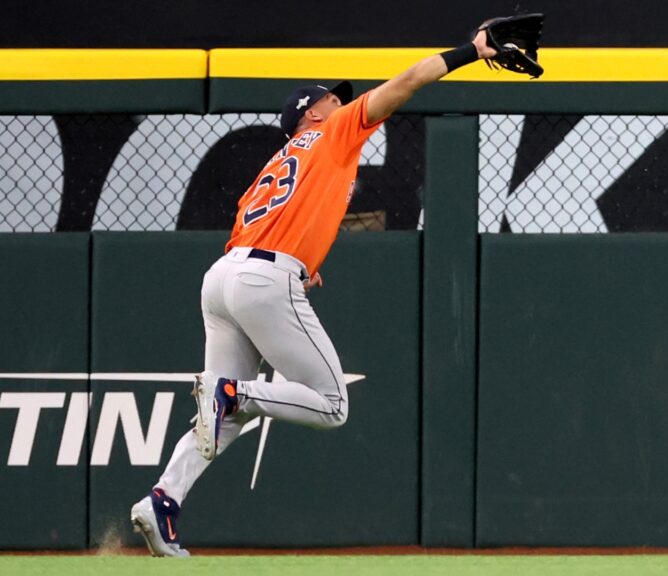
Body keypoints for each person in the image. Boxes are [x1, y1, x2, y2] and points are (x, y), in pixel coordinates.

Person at [129, 29, 499, 558]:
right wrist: (471, 52)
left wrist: (299, 262)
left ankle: (163, 500)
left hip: (224, 277)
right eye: (331, 98)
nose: (340, 102)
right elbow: (411, 80)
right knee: (330, 403)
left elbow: (259, 229)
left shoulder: (276, 163)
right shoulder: (334, 131)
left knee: (221, 418)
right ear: (311, 114)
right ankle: (234, 392)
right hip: (262, 280)